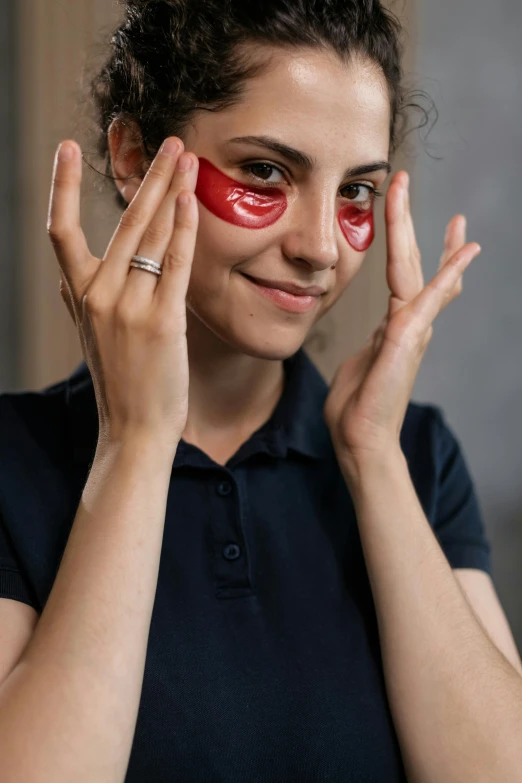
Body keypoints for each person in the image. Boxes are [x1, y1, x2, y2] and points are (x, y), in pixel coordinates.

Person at [1, 1, 519, 781]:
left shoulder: (417, 459)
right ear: (136, 157)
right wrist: (138, 443)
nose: (318, 248)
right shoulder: (13, 462)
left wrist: (373, 456)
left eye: (356, 193)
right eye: (266, 172)